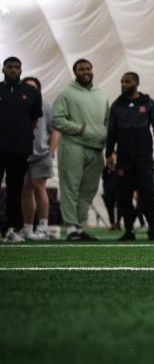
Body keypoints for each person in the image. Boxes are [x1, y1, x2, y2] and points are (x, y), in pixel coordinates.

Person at [50, 59, 110, 241]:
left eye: (88, 68)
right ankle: (70, 230)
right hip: (72, 146)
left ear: (92, 70)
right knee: (70, 189)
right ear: (75, 72)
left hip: (96, 149)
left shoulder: (101, 94)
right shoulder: (66, 94)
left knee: (88, 191)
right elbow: (57, 120)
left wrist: (105, 138)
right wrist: (79, 129)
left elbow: (108, 122)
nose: (85, 71)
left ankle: (79, 226)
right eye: (81, 69)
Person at [105, 72, 154, 241]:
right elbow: (111, 131)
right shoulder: (117, 105)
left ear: (137, 83)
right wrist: (109, 153)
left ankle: (152, 230)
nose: (123, 84)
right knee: (124, 195)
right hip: (124, 159)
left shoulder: (148, 103)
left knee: (148, 194)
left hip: (144, 158)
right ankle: (128, 230)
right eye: (122, 81)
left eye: (127, 81)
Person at [1, 58, 42, 242]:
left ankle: (11, 228)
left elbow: (34, 120)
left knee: (15, 190)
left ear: (21, 70)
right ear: (3, 69)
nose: (13, 70)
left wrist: (21, 135)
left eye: (17, 67)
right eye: (9, 67)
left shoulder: (31, 92)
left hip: (20, 149)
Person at [20, 77, 56, 240]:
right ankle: (27, 228)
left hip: (41, 154)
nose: (30, 90)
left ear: (39, 89)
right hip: (20, 155)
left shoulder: (46, 106)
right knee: (25, 190)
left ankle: (43, 228)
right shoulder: (15, 106)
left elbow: (55, 130)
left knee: (38, 187)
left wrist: (51, 150)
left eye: (34, 87)